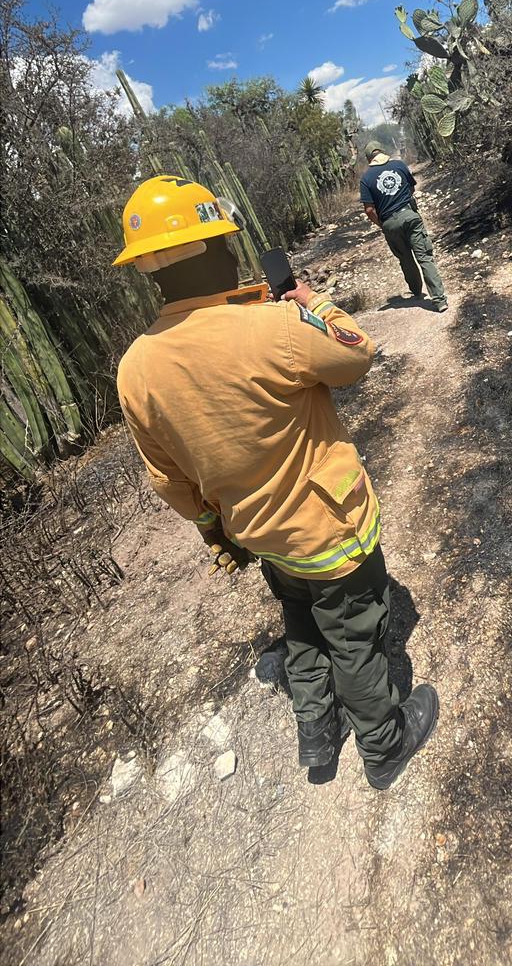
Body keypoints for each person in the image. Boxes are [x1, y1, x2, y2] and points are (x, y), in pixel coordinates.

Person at [113, 175, 438, 790]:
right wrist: (308, 301)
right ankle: (384, 745)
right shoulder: (275, 327)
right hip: (330, 530)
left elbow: (170, 481)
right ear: (218, 250)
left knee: (302, 624)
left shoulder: (135, 369)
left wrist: (217, 531)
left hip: (258, 535)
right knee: (355, 639)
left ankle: (317, 735)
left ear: (149, 270)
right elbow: (359, 352)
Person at [359, 141, 448, 312]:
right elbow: (411, 188)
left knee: (405, 259)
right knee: (424, 257)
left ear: (369, 158)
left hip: (389, 224)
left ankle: (416, 291)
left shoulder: (366, 179)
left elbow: (369, 210)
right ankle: (439, 300)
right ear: (383, 151)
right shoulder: (399, 165)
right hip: (410, 216)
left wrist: (382, 225)